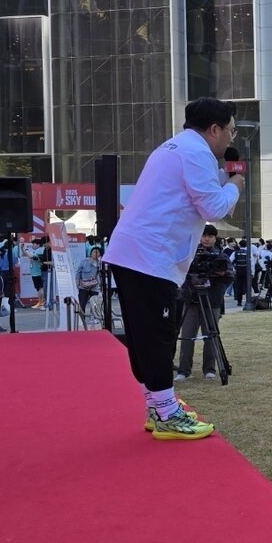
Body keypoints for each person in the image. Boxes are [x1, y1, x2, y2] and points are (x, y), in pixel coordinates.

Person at [102, 97, 244, 440]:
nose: (230, 139)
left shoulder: (172, 147)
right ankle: (167, 412)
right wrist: (234, 186)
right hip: (150, 258)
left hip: (136, 254)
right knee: (159, 334)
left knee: (146, 335)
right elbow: (213, 207)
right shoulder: (196, 153)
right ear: (214, 129)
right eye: (230, 131)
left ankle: (157, 406)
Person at [175, 225, 231, 381]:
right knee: (187, 335)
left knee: (211, 335)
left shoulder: (221, 256)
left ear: (215, 238)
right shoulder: (190, 254)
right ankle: (183, 370)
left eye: (210, 236)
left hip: (211, 300)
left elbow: (230, 275)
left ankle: (210, 369)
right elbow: (179, 272)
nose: (207, 239)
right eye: (204, 235)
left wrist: (220, 273)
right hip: (191, 300)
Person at [76, 246, 103, 320]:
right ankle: (82, 319)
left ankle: (95, 319)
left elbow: (102, 275)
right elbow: (78, 272)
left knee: (95, 304)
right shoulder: (84, 261)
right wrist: (77, 282)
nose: (95, 254)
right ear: (91, 253)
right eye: (94, 252)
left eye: (98, 252)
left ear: (100, 254)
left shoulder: (100, 263)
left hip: (94, 287)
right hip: (83, 286)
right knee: (82, 304)